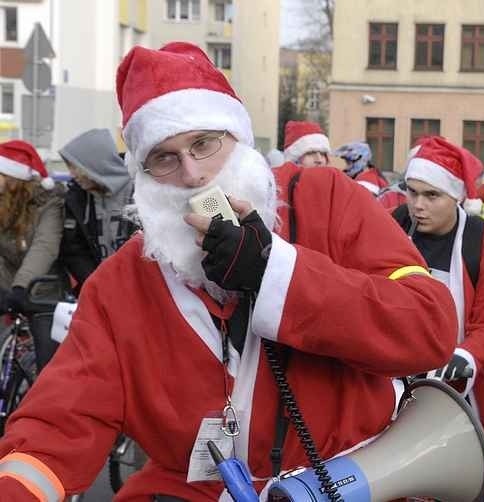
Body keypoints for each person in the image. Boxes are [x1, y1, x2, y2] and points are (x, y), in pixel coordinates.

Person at [0, 42, 457, 501]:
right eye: (165, 157)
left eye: (203, 143)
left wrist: (274, 274)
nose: (194, 175)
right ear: (143, 175)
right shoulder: (122, 284)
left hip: (349, 483)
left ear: (236, 136)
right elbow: (59, 423)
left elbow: (429, 327)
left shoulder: (326, 201)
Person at [392, 136, 484, 501]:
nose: (418, 205)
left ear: (457, 197)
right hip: (391, 385)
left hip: (463, 390)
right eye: (412, 193)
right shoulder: (393, 228)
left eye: (432, 196)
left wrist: (466, 357)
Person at [58, 128, 136, 295]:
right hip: (101, 289)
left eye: (75, 166)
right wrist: (96, 282)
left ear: (94, 163)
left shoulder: (141, 189)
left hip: (142, 288)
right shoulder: (77, 198)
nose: (72, 174)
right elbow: (74, 249)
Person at [0, 140, 62, 312]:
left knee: (40, 337)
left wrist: (21, 286)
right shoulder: (2, 201)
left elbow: (44, 247)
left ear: (12, 177)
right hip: (6, 288)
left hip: (41, 291)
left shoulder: (49, 202)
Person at [333, 140, 403, 209]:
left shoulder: (365, 183)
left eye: (348, 163)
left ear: (359, 160)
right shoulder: (374, 175)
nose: (346, 167)